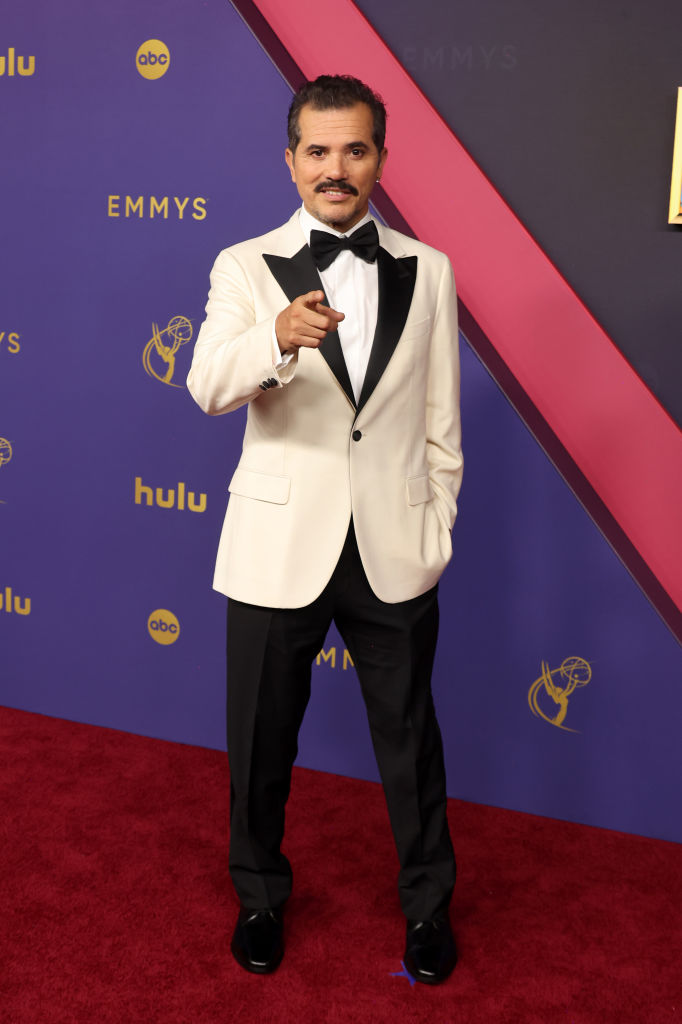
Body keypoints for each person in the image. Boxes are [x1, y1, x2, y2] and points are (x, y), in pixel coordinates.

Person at [187, 74, 463, 985]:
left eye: (355, 150)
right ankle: (259, 897)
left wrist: (436, 528)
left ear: (381, 157)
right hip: (278, 548)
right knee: (261, 741)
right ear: (291, 159)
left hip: (395, 548)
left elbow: (440, 423)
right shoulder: (245, 265)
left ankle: (428, 912)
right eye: (318, 151)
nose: (336, 169)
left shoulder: (429, 269)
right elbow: (209, 387)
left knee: (411, 744)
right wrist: (277, 337)